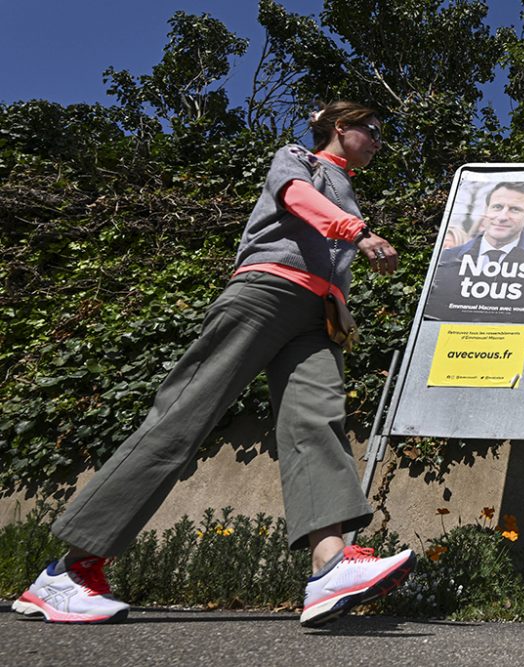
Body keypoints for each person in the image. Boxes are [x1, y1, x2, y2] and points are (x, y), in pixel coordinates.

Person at [13, 101, 415, 629]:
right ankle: (70, 573)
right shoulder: (298, 158)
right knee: (184, 418)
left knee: (317, 424)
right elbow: (295, 199)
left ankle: (329, 565)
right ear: (340, 127)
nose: (379, 141)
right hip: (265, 292)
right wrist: (358, 233)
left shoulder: (347, 185)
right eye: (373, 130)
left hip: (316, 319)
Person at [423, 181, 524, 324]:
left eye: (514, 209)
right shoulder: (446, 259)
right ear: (486, 209)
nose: (502, 217)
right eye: (497, 207)